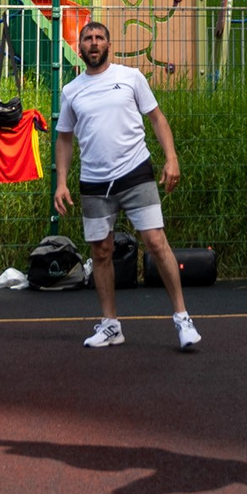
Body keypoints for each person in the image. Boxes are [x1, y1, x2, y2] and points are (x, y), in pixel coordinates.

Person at [52, 19, 199, 351]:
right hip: (93, 183)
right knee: (100, 252)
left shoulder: (131, 77)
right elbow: (64, 139)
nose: (93, 42)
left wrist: (171, 158)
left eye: (99, 37)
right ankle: (110, 325)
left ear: (109, 45)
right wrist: (61, 182)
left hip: (135, 173)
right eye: (87, 38)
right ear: (80, 48)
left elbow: (157, 119)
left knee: (156, 242)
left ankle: (182, 319)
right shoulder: (71, 91)